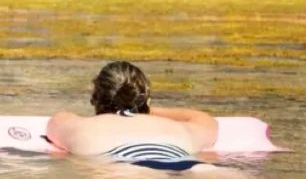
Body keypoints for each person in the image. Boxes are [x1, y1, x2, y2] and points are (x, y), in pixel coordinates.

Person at [46, 61, 218, 170]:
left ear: (95, 99)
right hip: (181, 158)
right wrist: (144, 109)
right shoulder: (177, 129)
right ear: (147, 100)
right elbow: (206, 121)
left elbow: (57, 121)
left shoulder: (83, 128)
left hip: (119, 165)